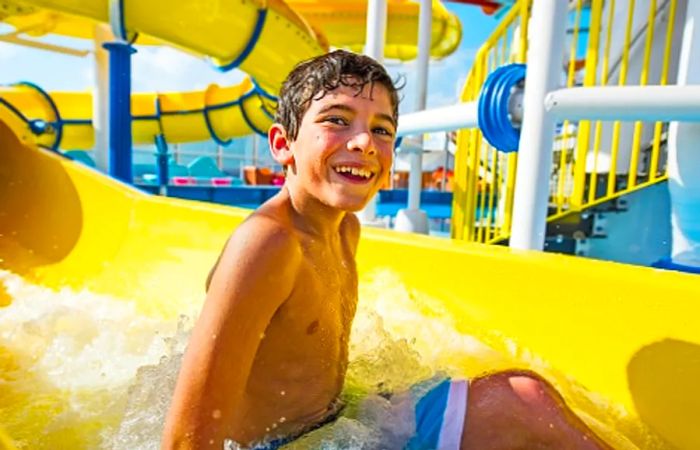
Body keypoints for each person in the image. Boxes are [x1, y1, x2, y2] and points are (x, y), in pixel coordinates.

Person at [162, 50, 610, 450]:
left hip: (340, 421)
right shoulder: (267, 244)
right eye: (337, 120)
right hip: (287, 443)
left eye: (381, 129)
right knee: (519, 407)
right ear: (283, 145)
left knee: (526, 394)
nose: (364, 143)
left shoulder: (345, 229)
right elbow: (186, 438)